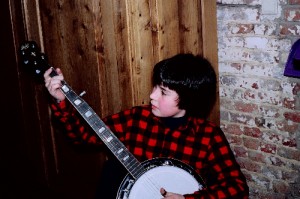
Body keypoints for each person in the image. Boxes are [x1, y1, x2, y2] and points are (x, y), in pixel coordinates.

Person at [44, 53, 249, 199]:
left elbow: (237, 188)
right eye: (155, 87)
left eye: (163, 92)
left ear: (188, 99)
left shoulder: (208, 136)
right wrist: (62, 102)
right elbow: (82, 137)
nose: (152, 95)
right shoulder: (136, 118)